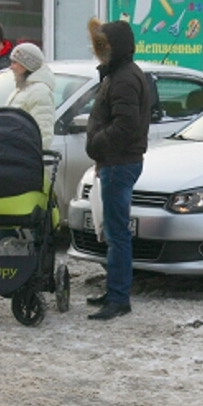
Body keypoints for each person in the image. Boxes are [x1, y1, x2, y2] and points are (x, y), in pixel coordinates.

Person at [84, 18, 150, 320]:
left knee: (117, 234)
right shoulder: (120, 73)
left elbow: (125, 125)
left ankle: (119, 297)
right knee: (114, 232)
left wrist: (98, 145)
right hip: (116, 161)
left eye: (101, 46)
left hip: (120, 162)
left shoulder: (123, 77)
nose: (97, 52)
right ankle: (115, 291)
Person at [6, 42, 55, 149]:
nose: (11, 67)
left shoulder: (40, 91)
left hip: (26, 160)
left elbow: (43, 135)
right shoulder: (22, 89)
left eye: (15, 62)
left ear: (27, 65)